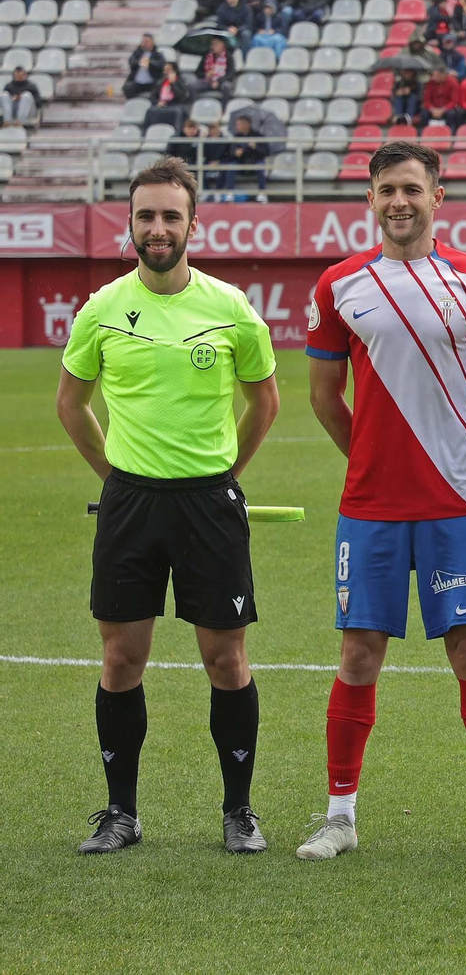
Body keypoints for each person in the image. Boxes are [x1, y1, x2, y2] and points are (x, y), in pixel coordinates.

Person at [296, 141, 466, 863]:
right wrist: (371, 460)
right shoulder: (339, 284)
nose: (400, 201)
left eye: (413, 189)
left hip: (457, 504)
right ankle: (339, 816)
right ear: (370, 198)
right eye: (387, 188)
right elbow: (325, 398)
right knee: (359, 652)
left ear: (437, 196)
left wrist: (456, 459)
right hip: (369, 507)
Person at [57, 157, 279, 855]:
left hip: (209, 502)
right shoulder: (101, 309)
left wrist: (225, 475)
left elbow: (263, 401)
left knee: (225, 658)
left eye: (170, 216)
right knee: (122, 657)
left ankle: (238, 811)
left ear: (193, 223)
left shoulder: (230, 308)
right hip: (131, 502)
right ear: (130, 222)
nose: (158, 228)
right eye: (146, 215)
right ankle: (121, 813)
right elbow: (72, 403)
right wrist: (115, 474)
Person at [221, 113, 268, 199]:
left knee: (260, 167)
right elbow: (230, 152)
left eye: (239, 124)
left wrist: (255, 147)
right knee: (231, 167)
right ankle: (230, 193)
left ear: (246, 124)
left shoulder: (258, 136)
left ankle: (262, 193)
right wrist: (235, 153)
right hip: (240, 161)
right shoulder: (236, 136)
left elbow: (265, 152)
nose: (237, 126)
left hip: (254, 161)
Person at [143, 61, 190, 129]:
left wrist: (173, 84)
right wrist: (158, 102)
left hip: (175, 105)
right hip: (162, 104)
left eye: (168, 70)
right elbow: (152, 96)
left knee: (177, 112)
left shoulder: (181, 81)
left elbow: (183, 97)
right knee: (150, 111)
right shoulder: (161, 82)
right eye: (165, 70)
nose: (166, 72)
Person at [123, 34, 164, 100]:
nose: (145, 44)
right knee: (127, 87)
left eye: (147, 42)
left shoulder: (157, 53)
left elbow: (160, 64)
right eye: (143, 42)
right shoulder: (138, 52)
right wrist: (139, 62)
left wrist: (150, 63)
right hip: (138, 82)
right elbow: (131, 61)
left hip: (152, 82)